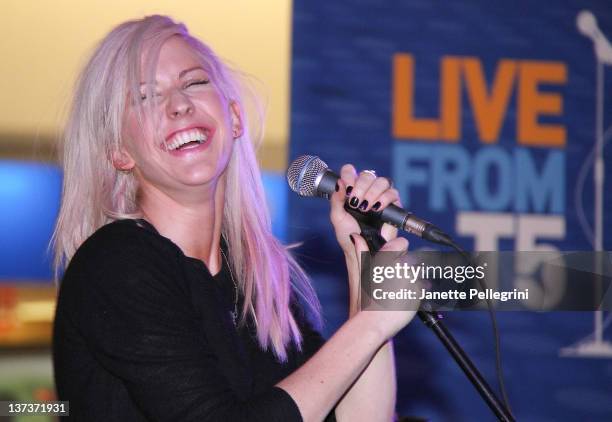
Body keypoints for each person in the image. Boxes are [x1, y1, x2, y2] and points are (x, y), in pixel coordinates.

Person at [52, 15, 417, 422]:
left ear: (234, 117)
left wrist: (363, 265)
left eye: (193, 83)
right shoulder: (117, 263)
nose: (179, 104)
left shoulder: (260, 285)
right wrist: (368, 325)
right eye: (145, 98)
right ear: (120, 152)